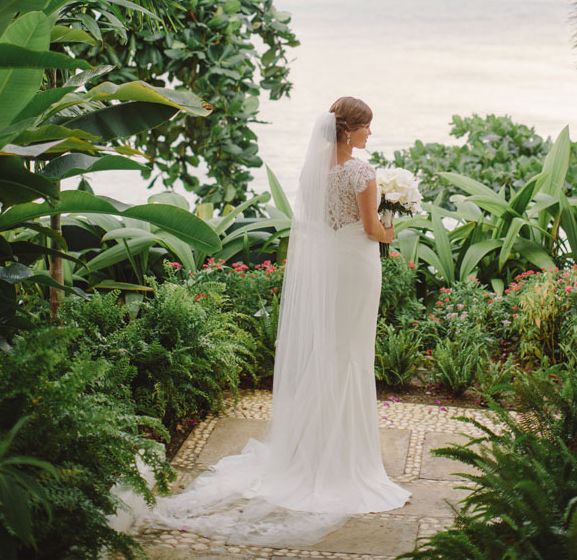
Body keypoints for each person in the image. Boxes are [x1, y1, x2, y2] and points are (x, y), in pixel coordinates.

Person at [139, 96, 410, 546]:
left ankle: (310, 451)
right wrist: (392, 224)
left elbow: (319, 224)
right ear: (349, 130)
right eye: (367, 127)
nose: (370, 135)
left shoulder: (312, 170)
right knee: (351, 354)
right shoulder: (362, 173)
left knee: (331, 352)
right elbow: (369, 230)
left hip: (329, 269)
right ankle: (343, 460)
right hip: (358, 266)